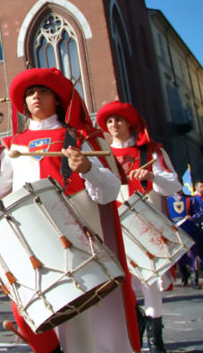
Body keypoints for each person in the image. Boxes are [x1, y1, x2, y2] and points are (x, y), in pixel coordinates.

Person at [0, 68, 140, 353]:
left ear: (57, 99)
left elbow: (108, 190)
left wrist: (86, 169)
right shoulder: (13, 145)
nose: (35, 96)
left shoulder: (79, 137)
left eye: (42, 91)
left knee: (78, 322)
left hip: (75, 241)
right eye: (30, 93)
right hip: (30, 244)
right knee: (30, 320)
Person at [97, 100, 182, 353]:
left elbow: (174, 184)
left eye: (119, 120)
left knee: (151, 283)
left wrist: (152, 176)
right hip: (116, 228)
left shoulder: (151, 152)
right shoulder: (102, 155)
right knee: (121, 284)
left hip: (145, 227)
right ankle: (137, 321)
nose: (114, 125)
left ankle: (156, 340)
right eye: (110, 121)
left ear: (129, 123)